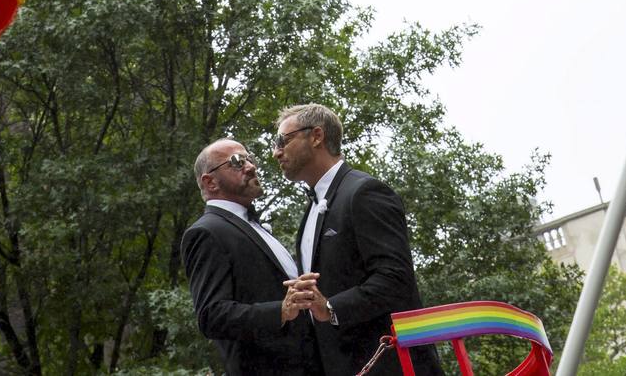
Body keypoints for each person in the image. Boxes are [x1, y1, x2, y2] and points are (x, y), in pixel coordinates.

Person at [273, 104, 443, 376]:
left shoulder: (364, 192)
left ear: (316, 136)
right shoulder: (309, 213)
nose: (276, 151)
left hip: (391, 366)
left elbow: (395, 279)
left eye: (283, 140)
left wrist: (330, 307)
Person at [181, 138, 322, 375]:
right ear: (210, 182)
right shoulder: (206, 232)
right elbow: (212, 316)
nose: (251, 166)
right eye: (236, 162)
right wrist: (281, 310)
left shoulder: (255, 227)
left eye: (249, 159)